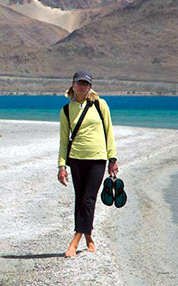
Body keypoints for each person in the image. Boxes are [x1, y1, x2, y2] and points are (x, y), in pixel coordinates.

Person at [57, 70, 118, 258]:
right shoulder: (66, 110)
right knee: (80, 199)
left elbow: (109, 131)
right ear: (73, 85)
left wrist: (112, 159)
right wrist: (61, 166)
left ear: (90, 87)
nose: (82, 86)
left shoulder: (100, 105)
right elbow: (63, 141)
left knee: (89, 199)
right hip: (76, 159)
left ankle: (74, 242)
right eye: (79, 83)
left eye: (86, 83)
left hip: (97, 159)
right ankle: (89, 237)